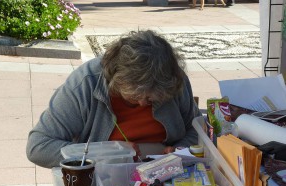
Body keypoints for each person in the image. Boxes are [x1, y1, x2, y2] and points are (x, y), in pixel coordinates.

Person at [26, 30, 202, 168]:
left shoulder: (172, 79)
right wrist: (104, 155)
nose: (142, 104)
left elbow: (197, 130)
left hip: (165, 177)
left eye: (151, 99)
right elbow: (38, 147)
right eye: (134, 96)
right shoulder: (85, 83)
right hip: (103, 180)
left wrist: (179, 151)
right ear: (116, 80)